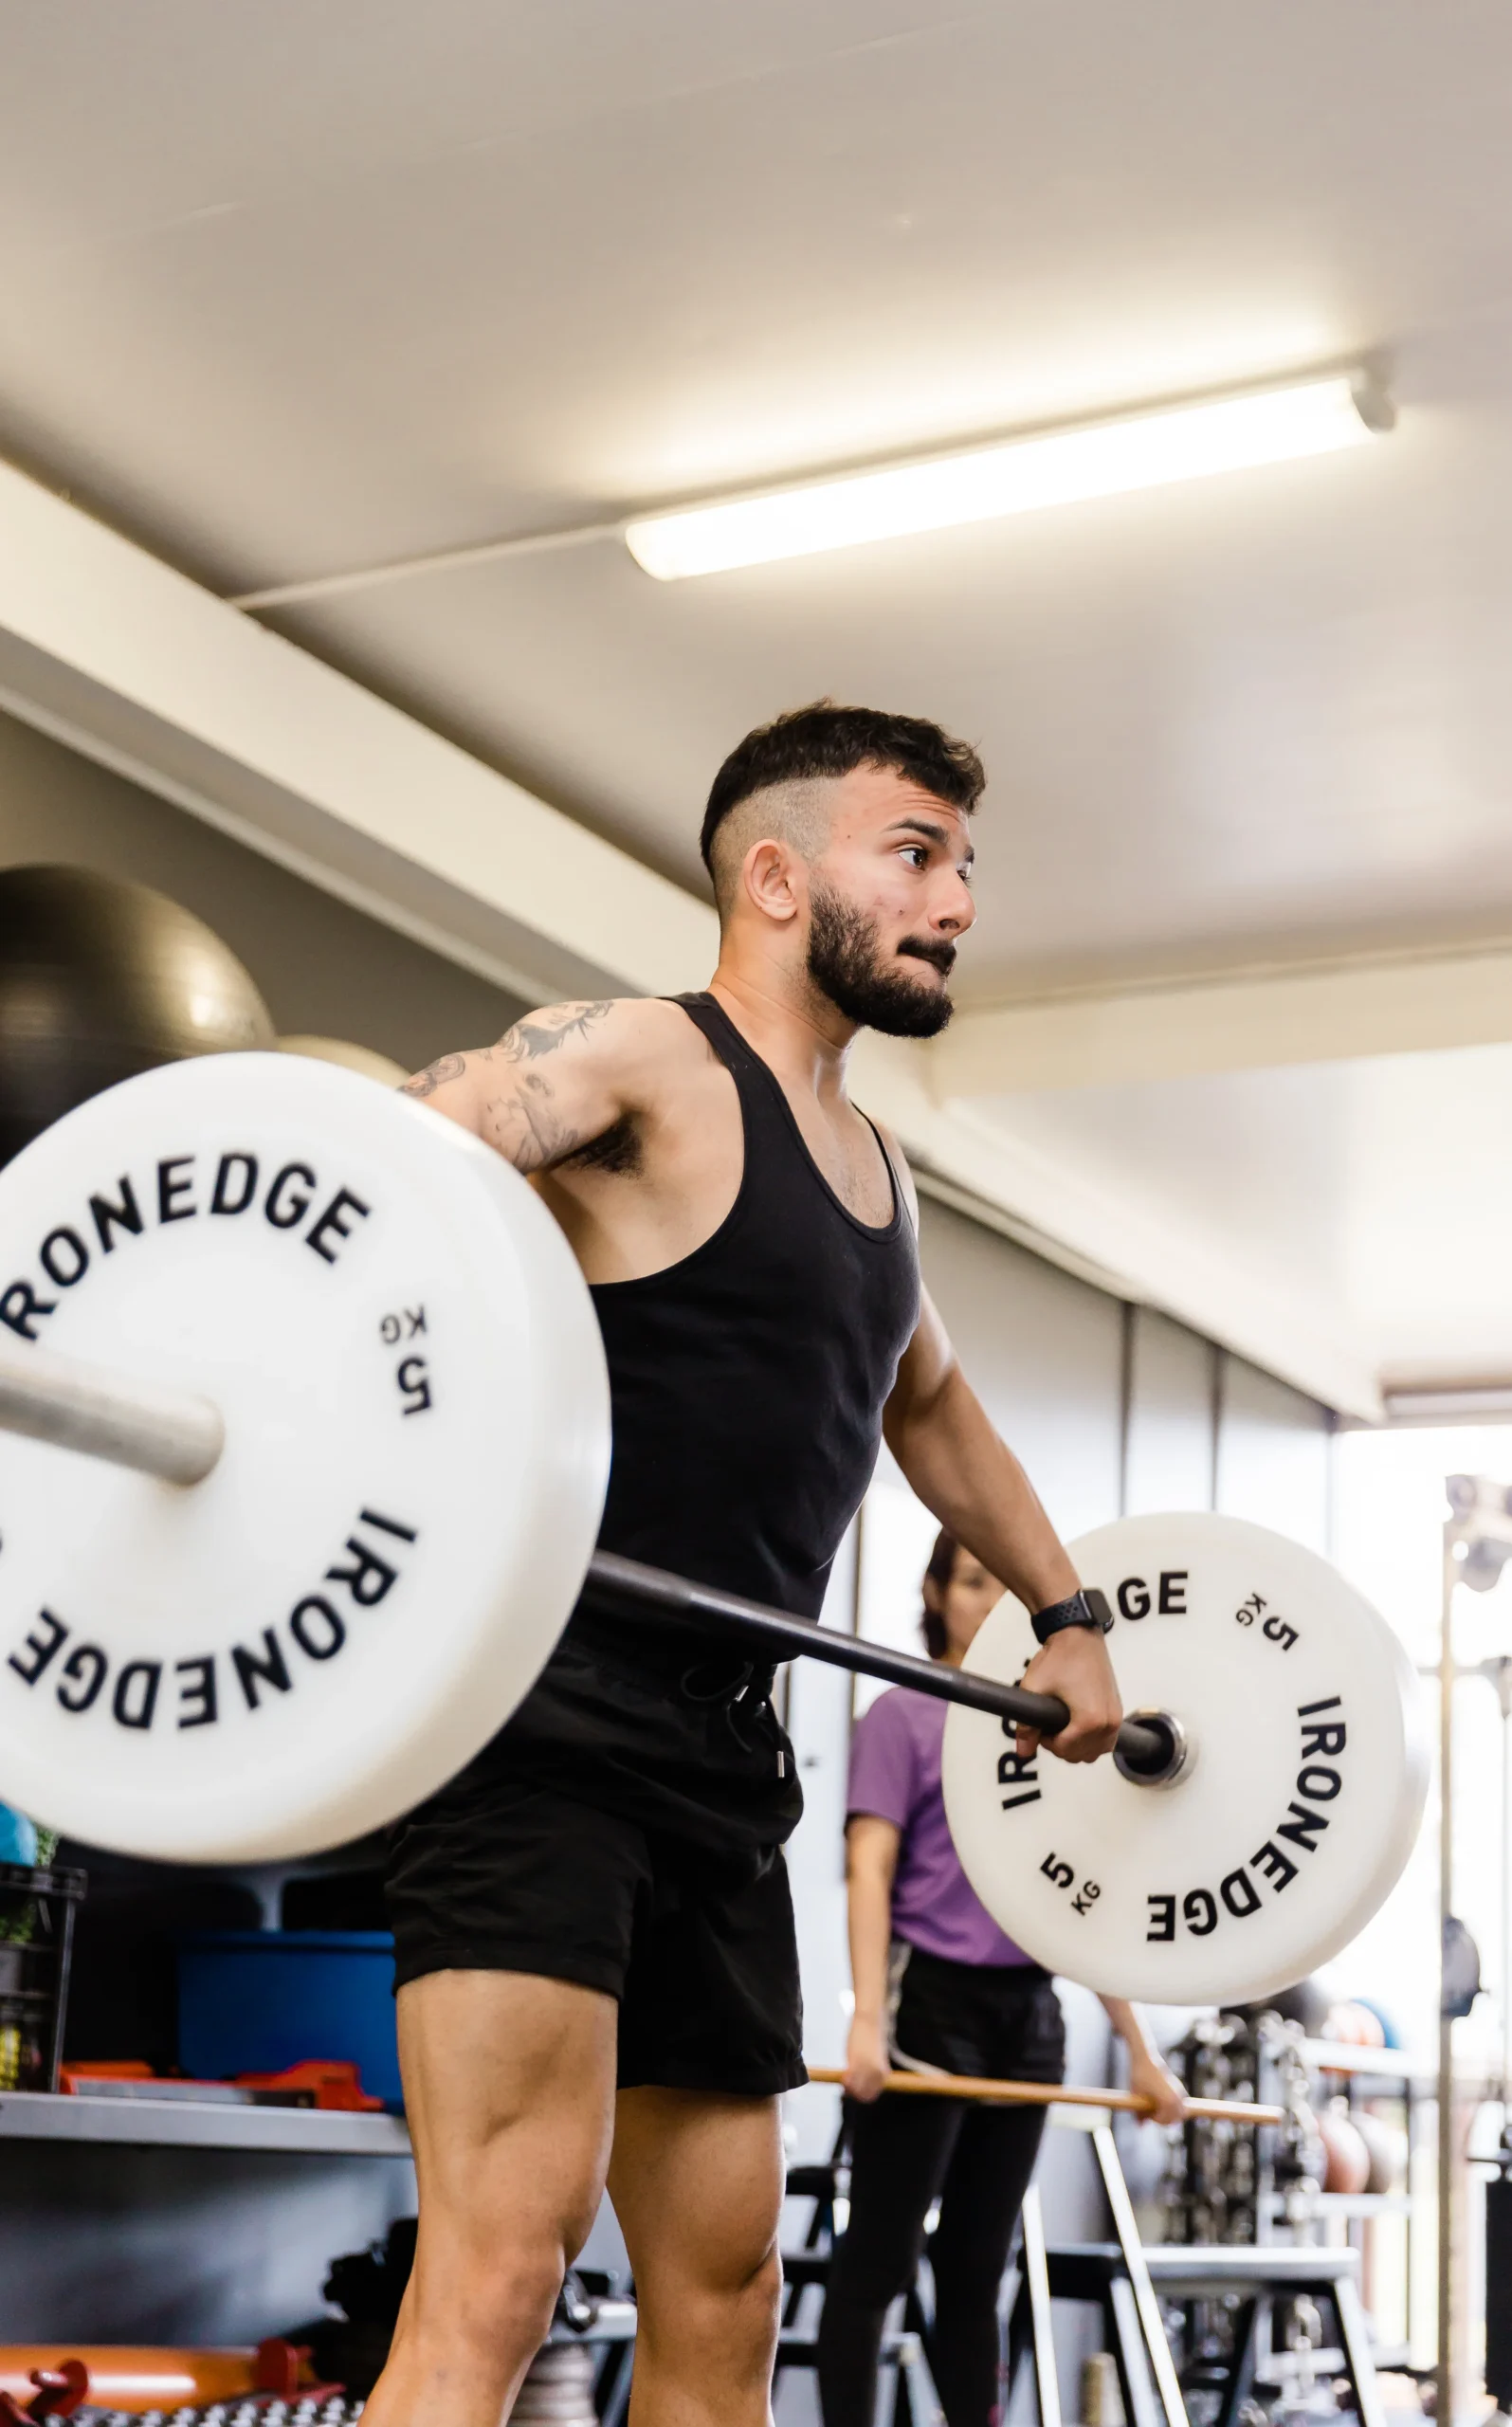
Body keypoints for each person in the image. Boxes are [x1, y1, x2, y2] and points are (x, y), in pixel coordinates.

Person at [368, 701, 1125, 2427]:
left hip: (725, 1764)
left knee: (729, 2295)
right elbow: (428, 1139)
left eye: (964, 865)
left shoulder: (875, 1172)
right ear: (777, 877)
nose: (957, 901)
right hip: (538, 1727)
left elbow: (931, 1408)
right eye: (916, 854)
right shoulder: (646, 1056)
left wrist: (1069, 1616)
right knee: (501, 2266)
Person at [817, 1531, 1186, 2427]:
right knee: (879, 2261)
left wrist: (1140, 2056)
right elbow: (868, 1868)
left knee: (978, 2268)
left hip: (1028, 2016)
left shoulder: (1053, 1725)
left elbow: (1083, 1903)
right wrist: (867, 2019)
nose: (986, 1602)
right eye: (971, 1581)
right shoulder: (900, 1717)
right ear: (937, 1593)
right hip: (928, 2003)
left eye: (1000, 1585)